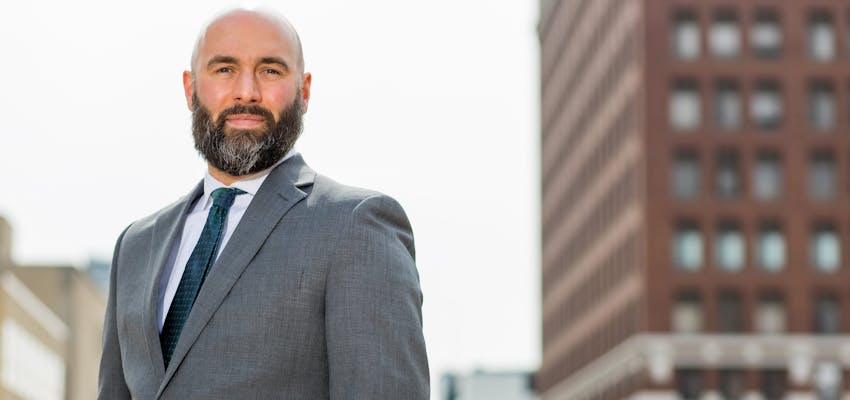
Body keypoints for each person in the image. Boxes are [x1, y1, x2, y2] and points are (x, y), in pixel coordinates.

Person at [98, 8, 429, 399]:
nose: (246, 91)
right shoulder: (135, 246)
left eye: (270, 70)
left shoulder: (358, 226)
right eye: (224, 69)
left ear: (304, 92)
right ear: (190, 89)